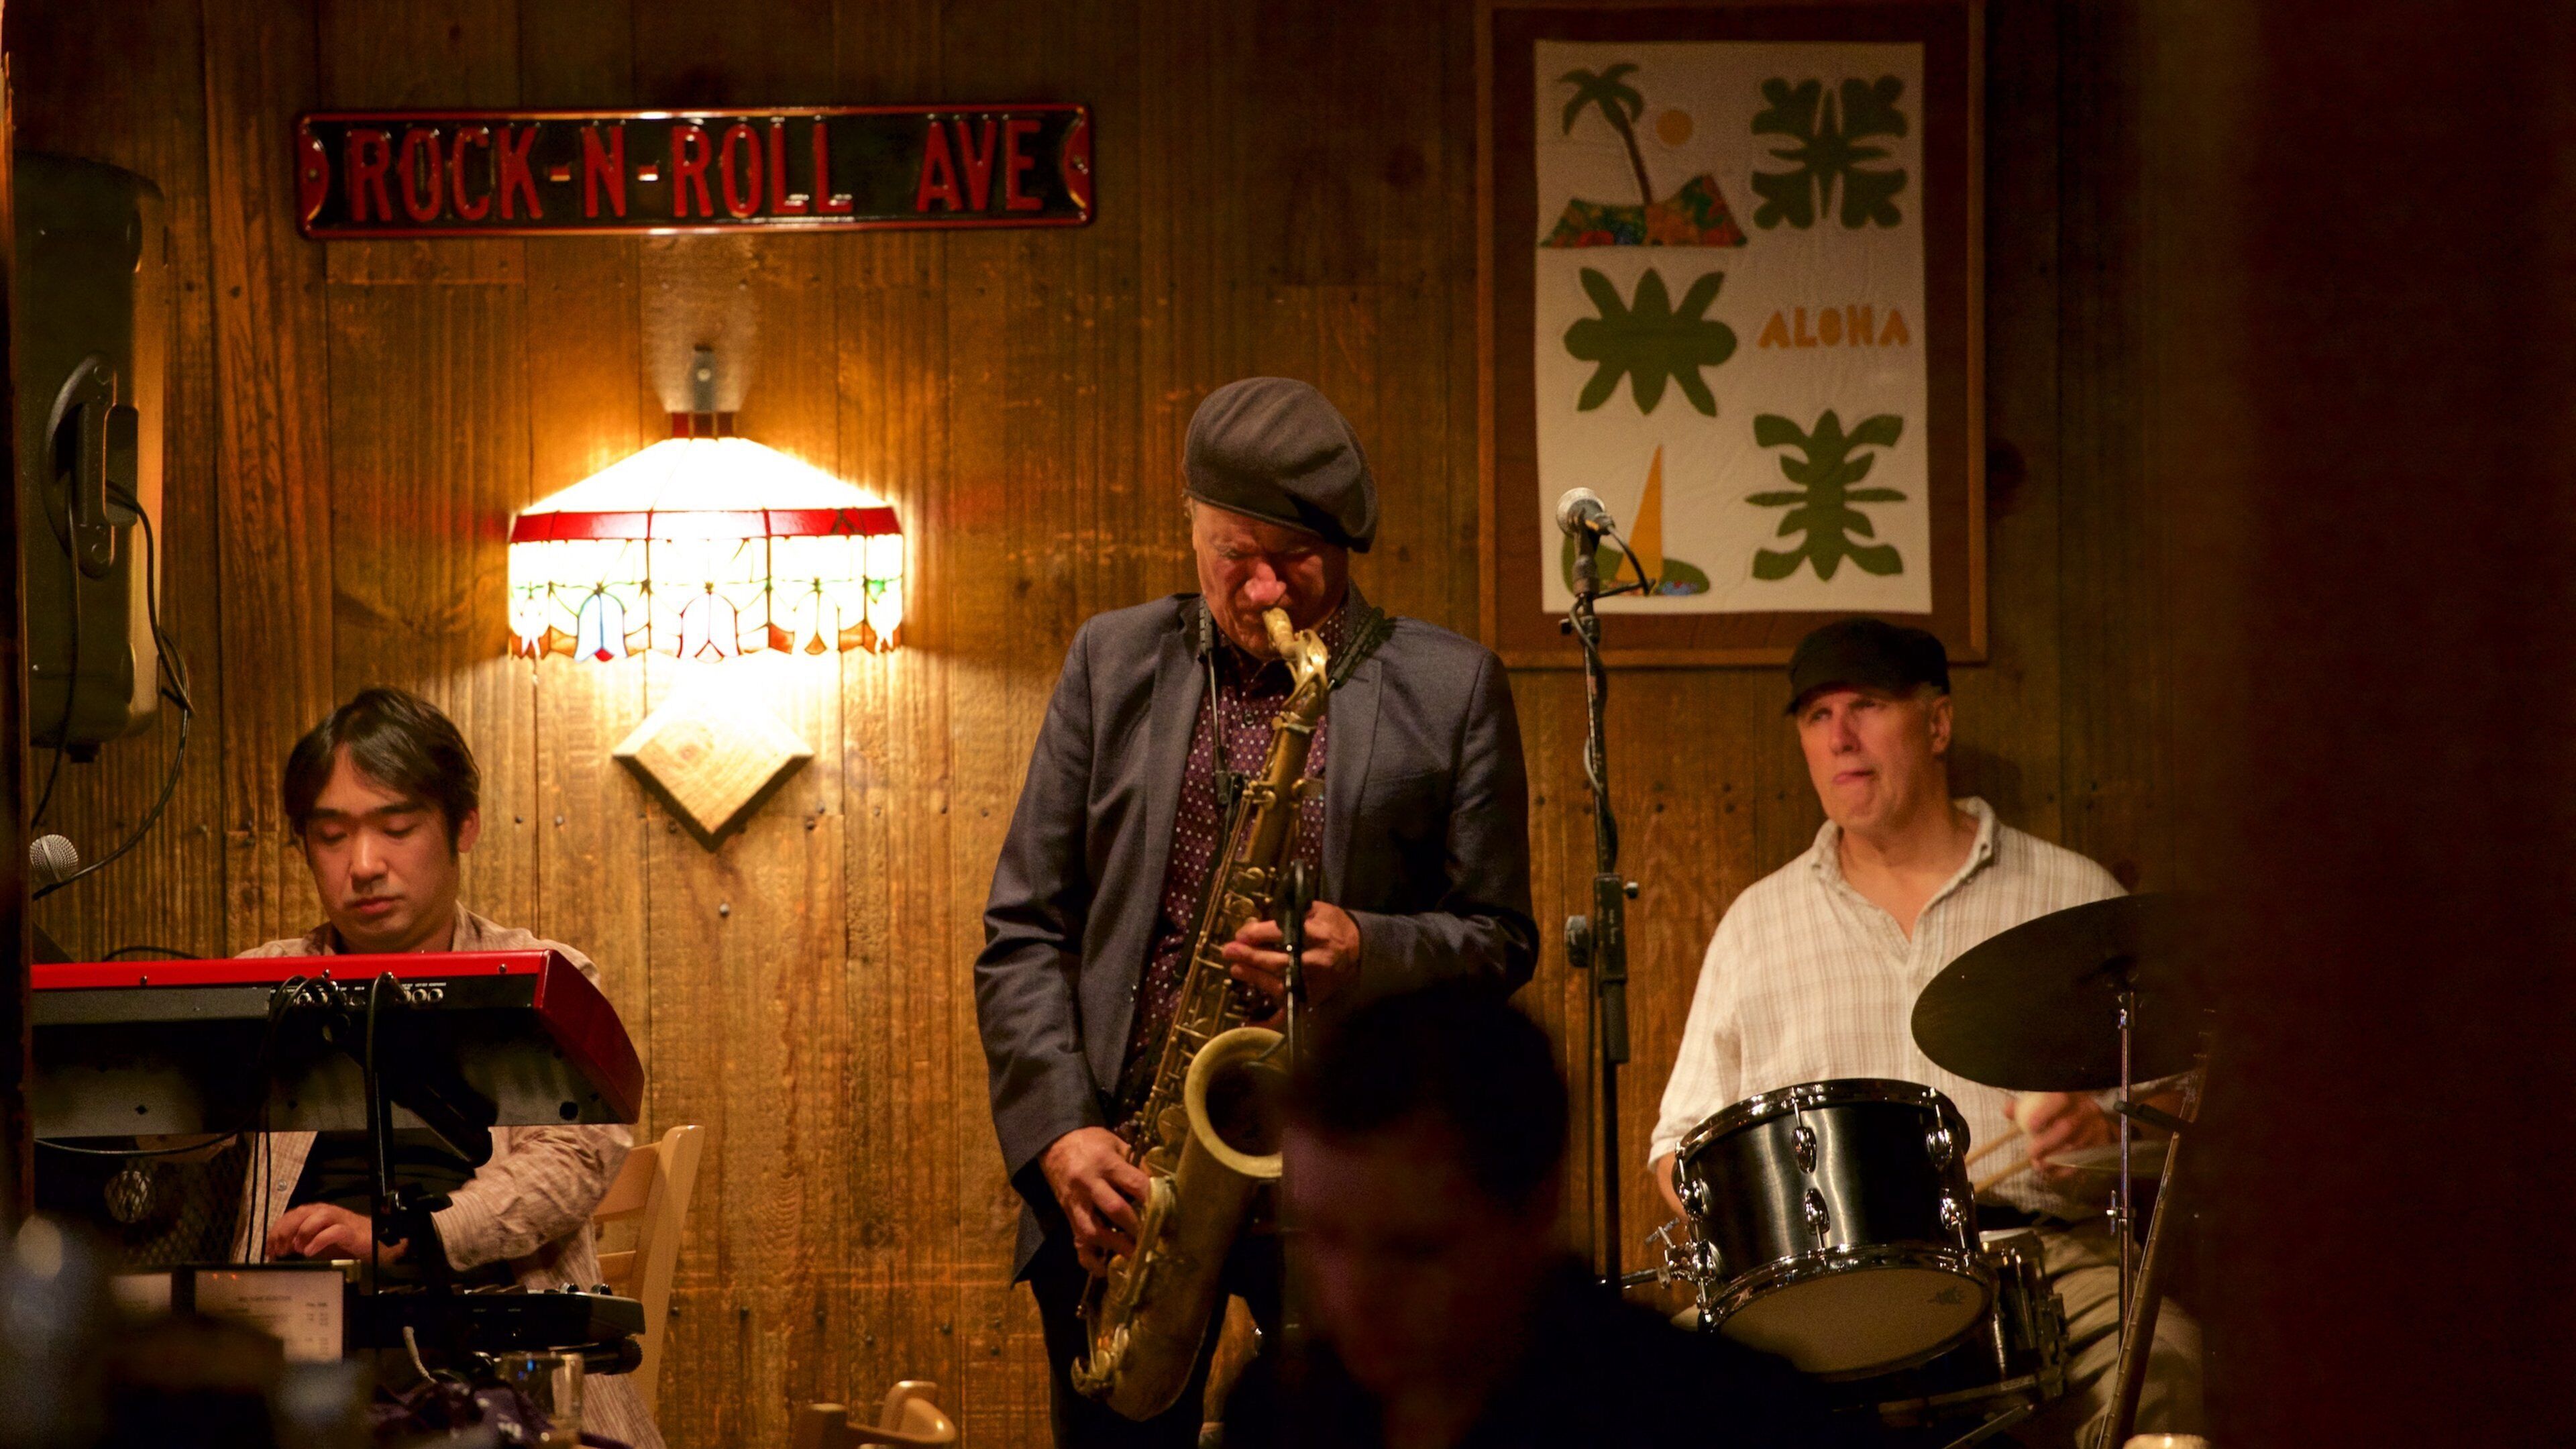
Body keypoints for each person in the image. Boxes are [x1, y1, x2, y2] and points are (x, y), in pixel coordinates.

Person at [977, 377, 1539, 1447]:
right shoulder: (1110, 661)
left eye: (1300, 558)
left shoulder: (1453, 686)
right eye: (1236, 553)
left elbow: (1499, 938)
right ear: (1190, 523)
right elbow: (1026, 930)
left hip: (1346, 1194)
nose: (1267, 585)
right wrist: (1059, 1135)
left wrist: (1369, 950)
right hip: (1130, 1181)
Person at [1646, 619, 2201, 1446]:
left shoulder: (2068, 895)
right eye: (1817, 716)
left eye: (1867, 706)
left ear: (1936, 723)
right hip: (1822, 1288)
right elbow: (1678, 1149)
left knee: (2167, 1362)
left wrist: (2102, 1132)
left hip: (2037, 1259)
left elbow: (2178, 1115)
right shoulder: (1756, 925)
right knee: (1650, 1398)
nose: (1840, 737)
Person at [227, 687, 661, 1449]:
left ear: (465, 826)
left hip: (497, 1362)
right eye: (331, 837)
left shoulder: (542, 979)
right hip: (291, 1367)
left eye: (397, 829)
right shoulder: (255, 986)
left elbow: (570, 1157)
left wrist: (405, 1239)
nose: (364, 866)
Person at [1226, 980, 1846, 1449]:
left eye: (1413, 1249)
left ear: (1536, 1208)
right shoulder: (1277, 1414)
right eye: (1326, 1238)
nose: (1354, 1295)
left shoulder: (1728, 1417)